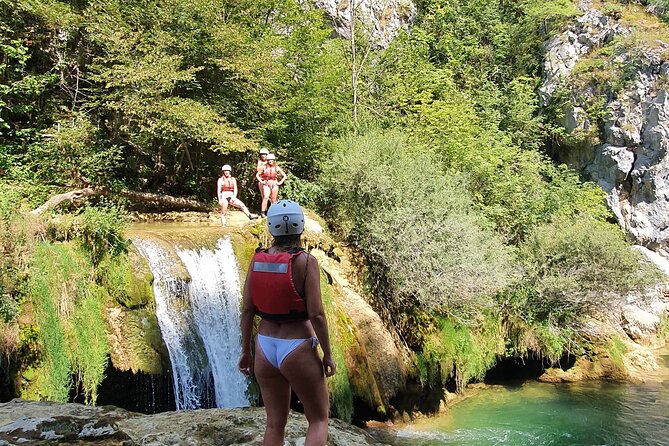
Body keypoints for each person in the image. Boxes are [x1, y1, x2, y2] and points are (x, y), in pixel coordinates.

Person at [238, 200, 336, 446]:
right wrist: (327, 354)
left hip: (265, 347)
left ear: (271, 228)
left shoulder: (257, 258)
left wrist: (245, 353)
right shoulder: (305, 261)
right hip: (298, 347)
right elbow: (317, 315)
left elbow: (247, 309)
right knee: (318, 420)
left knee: (273, 424)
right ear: (300, 226)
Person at [256, 153, 287, 217]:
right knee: (266, 197)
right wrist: (261, 181)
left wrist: (279, 183)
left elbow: (284, 176)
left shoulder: (277, 168)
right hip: (267, 184)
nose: (270, 161)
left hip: (274, 184)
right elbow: (257, 175)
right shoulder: (264, 167)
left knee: (273, 199)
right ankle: (263, 212)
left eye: (271, 160)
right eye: (269, 160)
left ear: (274, 160)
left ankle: (273, 212)